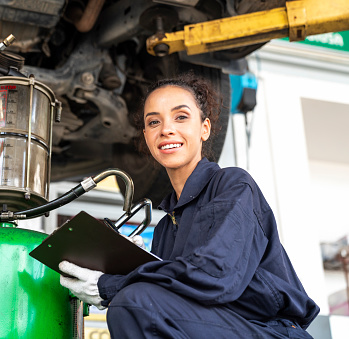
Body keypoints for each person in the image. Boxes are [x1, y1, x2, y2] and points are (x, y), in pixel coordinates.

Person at [59, 73, 320, 338]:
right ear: (147, 136)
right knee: (134, 302)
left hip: (269, 330)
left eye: (181, 117)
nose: (166, 129)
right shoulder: (164, 228)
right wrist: (128, 266)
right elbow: (175, 299)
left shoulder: (233, 185)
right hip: (214, 325)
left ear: (204, 128)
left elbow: (214, 275)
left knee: (132, 302)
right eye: (153, 122)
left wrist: (113, 284)